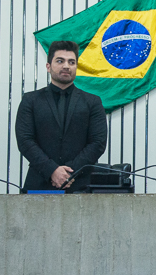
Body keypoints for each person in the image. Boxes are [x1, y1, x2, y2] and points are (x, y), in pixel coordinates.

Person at [15, 41, 107, 192]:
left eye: (71, 62)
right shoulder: (30, 100)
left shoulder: (92, 102)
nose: (66, 66)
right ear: (48, 66)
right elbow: (25, 141)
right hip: (39, 181)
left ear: (76, 67)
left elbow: (98, 143)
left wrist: (69, 173)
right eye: (60, 61)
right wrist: (52, 170)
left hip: (81, 184)